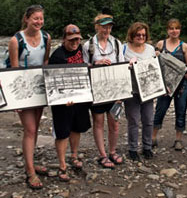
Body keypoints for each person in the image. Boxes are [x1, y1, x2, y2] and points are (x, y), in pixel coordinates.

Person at [8, 5, 51, 189]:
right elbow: (14, 70)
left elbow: (46, 62)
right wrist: (16, 99)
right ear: (26, 19)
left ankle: (30, 163)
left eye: (41, 19)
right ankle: (30, 171)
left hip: (39, 88)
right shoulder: (16, 40)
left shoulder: (47, 38)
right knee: (30, 129)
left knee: (36, 127)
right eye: (35, 18)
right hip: (24, 90)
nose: (38, 22)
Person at [49, 24, 91, 181]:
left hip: (80, 98)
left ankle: (74, 155)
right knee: (62, 132)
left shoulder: (82, 50)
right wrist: (61, 99)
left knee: (77, 128)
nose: (75, 42)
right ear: (64, 39)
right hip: (63, 102)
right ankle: (62, 165)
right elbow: (51, 81)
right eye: (71, 39)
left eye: (77, 39)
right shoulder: (57, 56)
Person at [83, 14, 125, 169]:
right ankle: (102, 155)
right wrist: (96, 63)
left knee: (114, 123)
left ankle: (113, 151)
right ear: (97, 26)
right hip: (97, 90)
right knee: (99, 123)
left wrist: (121, 93)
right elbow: (83, 67)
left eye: (109, 26)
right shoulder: (88, 46)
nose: (107, 29)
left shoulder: (117, 43)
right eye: (104, 26)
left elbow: (122, 67)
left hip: (114, 90)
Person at [152, 19, 187, 150]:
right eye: (171, 28)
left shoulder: (185, 46)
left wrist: (186, 72)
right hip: (165, 85)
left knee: (181, 111)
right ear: (167, 30)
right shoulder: (160, 44)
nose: (174, 31)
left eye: (176, 28)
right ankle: (153, 137)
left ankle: (178, 139)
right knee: (160, 110)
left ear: (180, 30)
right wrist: (156, 55)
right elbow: (154, 64)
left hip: (181, 85)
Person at [123, 22, 156, 161]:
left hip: (148, 91)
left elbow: (156, 69)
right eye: (138, 35)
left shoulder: (150, 49)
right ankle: (132, 149)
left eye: (143, 35)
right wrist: (128, 65)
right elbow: (118, 69)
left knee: (148, 119)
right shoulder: (124, 49)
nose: (141, 37)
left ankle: (147, 147)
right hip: (131, 90)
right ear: (132, 35)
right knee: (133, 120)